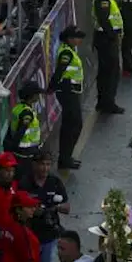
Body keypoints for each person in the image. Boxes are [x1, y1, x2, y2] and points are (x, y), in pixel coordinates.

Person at [23, 151, 68, 262]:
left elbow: (67, 206)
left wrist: (54, 207)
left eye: (48, 164)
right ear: (34, 165)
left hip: (48, 237)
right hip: (29, 236)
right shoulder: (25, 183)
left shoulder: (54, 183)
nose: (45, 168)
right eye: (42, 164)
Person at [50, 25, 86, 169]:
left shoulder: (69, 50)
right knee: (73, 125)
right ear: (69, 39)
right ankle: (65, 158)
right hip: (67, 92)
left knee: (72, 125)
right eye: (77, 38)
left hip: (71, 92)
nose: (79, 40)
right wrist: (51, 87)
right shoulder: (66, 53)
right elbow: (59, 72)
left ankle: (66, 157)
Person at [92, 0, 124, 114]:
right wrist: (112, 36)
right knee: (111, 72)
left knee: (107, 72)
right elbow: (104, 21)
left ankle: (104, 102)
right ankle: (108, 103)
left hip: (107, 38)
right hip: (106, 39)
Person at [3, 83, 43, 178]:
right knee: (25, 178)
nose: (39, 96)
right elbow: (21, 131)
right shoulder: (27, 113)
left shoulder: (17, 108)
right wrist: (13, 148)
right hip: (25, 153)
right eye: (37, 94)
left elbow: (11, 129)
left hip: (19, 152)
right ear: (32, 96)